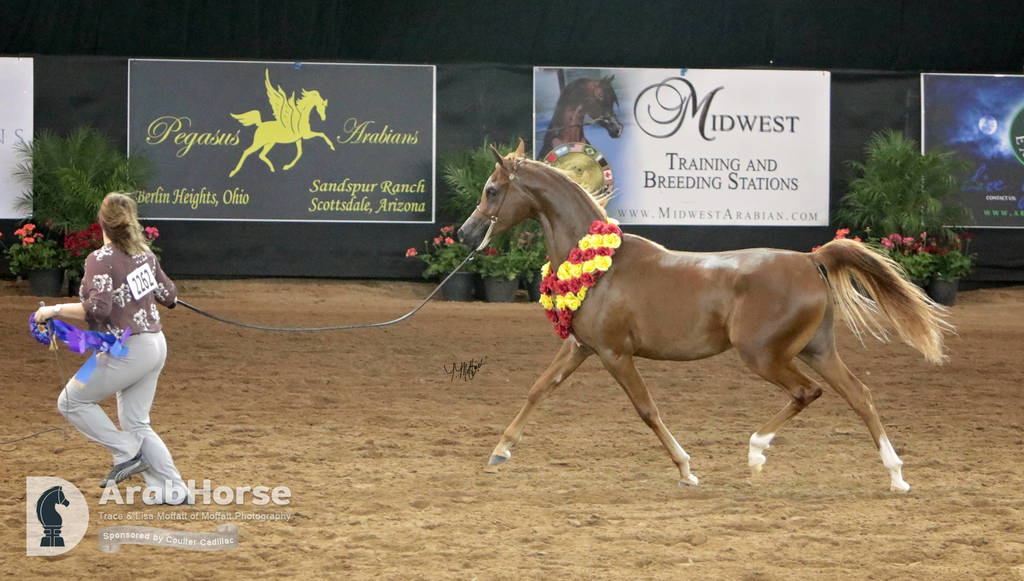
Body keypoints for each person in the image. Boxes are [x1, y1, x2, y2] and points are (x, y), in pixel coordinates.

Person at [34, 192, 189, 505]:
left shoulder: (100, 260)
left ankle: (126, 452)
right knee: (136, 422)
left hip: (124, 348)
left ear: (101, 223)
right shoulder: (144, 254)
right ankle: (173, 490)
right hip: (153, 345)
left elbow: (98, 310)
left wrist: (55, 310)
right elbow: (169, 294)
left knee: (71, 401)